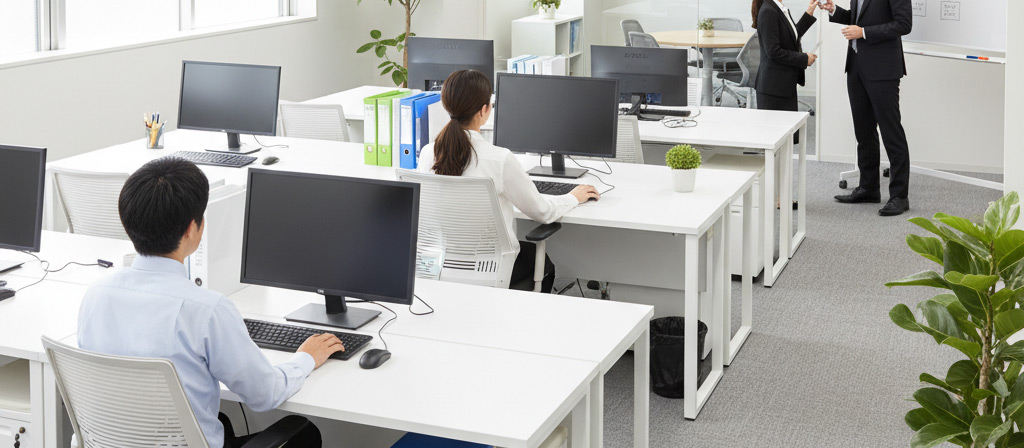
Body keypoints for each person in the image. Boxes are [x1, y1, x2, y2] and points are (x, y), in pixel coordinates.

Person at [77, 158, 340, 448]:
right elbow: (265, 394)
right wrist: (305, 358)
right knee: (304, 433)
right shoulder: (206, 310)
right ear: (193, 228)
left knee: (219, 419)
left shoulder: (96, 295)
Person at [418, 69, 600, 293]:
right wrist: (573, 197)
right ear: (485, 110)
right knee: (542, 263)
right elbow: (543, 212)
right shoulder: (500, 159)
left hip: (439, 267)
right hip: (494, 269)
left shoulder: (428, 153)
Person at [822, 0, 912, 216]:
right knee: (863, 131)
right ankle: (869, 187)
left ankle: (900, 196)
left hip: (883, 69)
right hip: (856, 67)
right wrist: (835, 11)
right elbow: (858, 17)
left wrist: (863, 32)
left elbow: (903, 24)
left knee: (891, 133)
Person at [752, 0, 819, 113]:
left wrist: (809, 13)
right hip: (773, 89)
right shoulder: (769, 11)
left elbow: (791, 37)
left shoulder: (778, 8)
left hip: (783, 86)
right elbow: (773, 52)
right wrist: (804, 58)